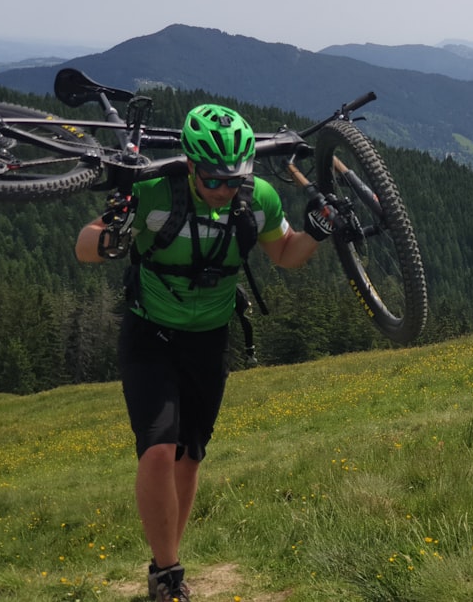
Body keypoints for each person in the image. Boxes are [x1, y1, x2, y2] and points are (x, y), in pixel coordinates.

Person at [75, 103, 336, 601]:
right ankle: (168, 576)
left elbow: (286, 255)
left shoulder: (256, 200)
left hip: (209, 339)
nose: (224, 189)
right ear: (191, 165)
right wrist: (114, 235)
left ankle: (167, 558)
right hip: (149, 333)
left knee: (189, 456)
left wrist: (317, 233)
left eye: (234, 179)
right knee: (157, 448)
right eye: (214, 178)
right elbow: (85, 245)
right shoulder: (152, 191)